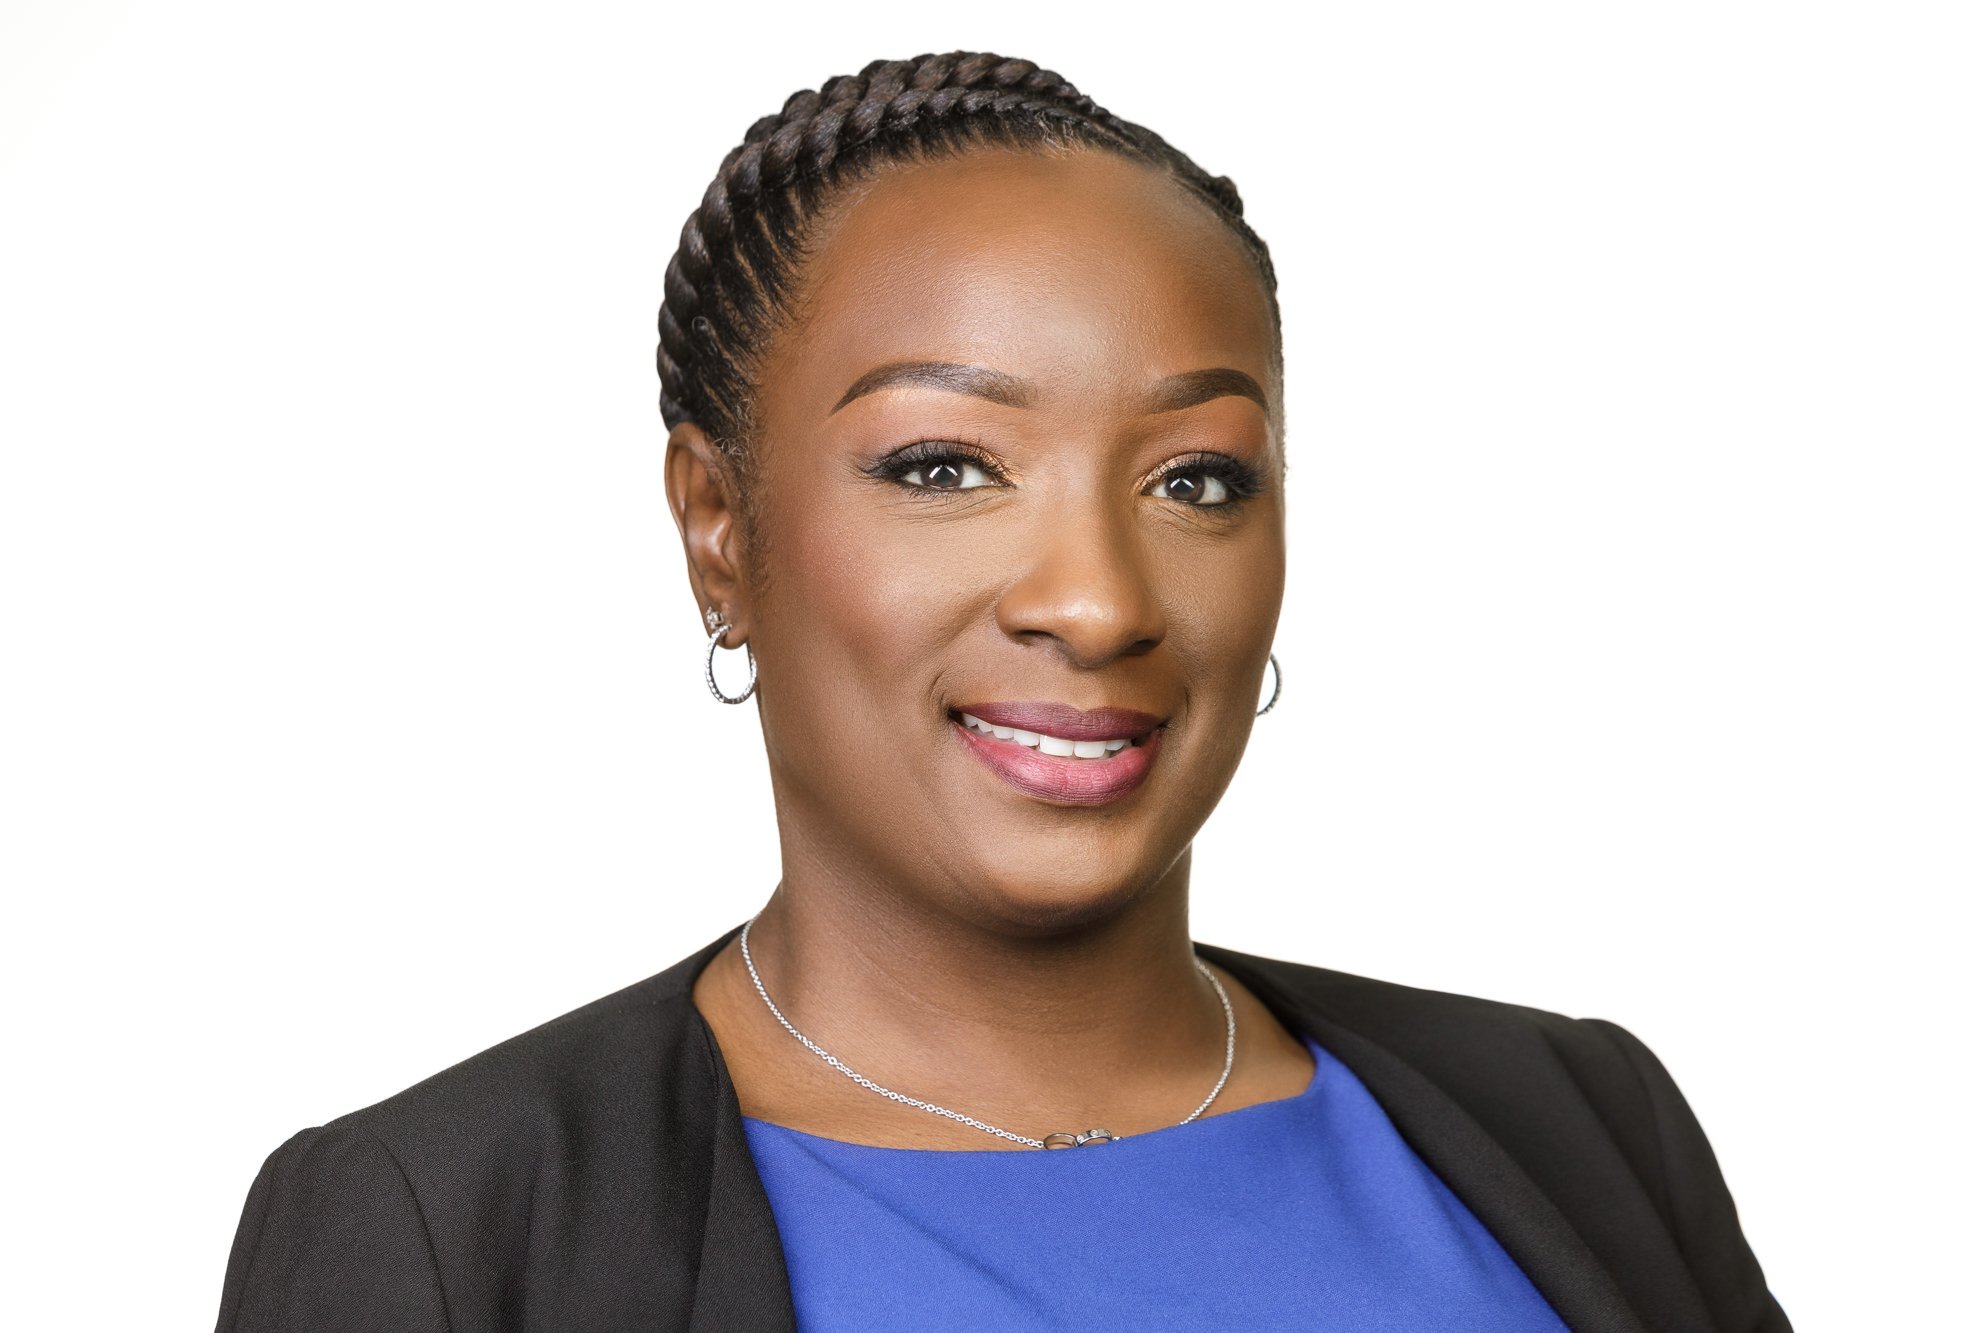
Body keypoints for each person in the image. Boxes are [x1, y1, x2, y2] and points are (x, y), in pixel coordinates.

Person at [214, 50, 1789, 1332]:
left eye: (1196, 479)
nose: (1097, 597)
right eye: (945, 465)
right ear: (720, 530)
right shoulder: (447, 1232)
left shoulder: (1584, 1122)